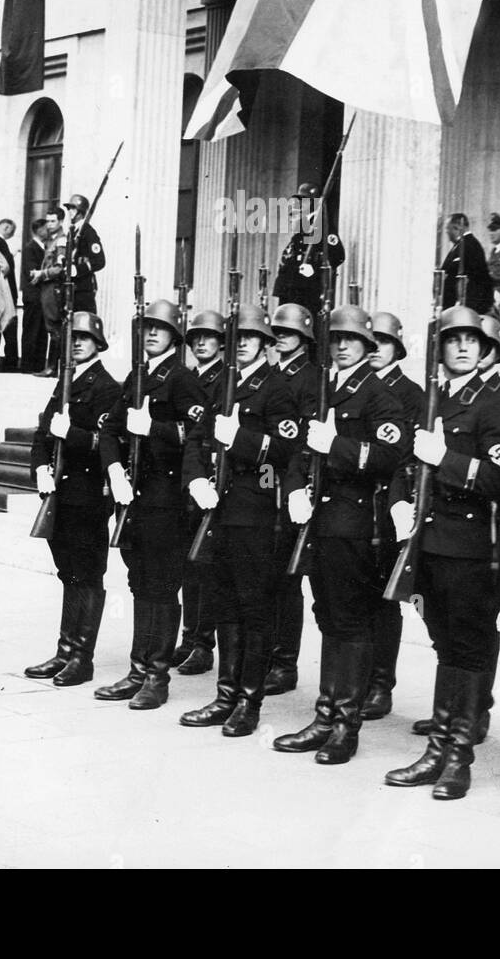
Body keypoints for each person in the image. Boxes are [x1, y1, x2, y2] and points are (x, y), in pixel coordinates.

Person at [384, 306, 500, 800]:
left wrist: (446, 459)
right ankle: (444, 741)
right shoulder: (433, 398)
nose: (461, 347)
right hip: (431, 539)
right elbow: (406, 459)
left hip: (471, 545)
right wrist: (400, 499)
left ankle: (455, 755)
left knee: (466, 645)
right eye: (452, 339)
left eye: (471, 340)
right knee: (446, 644)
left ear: (487, 349)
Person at [273, 305, 407, 766]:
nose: (343, 346)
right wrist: (293, 490)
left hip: (356, 524)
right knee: (328, 616)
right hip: (320, 521)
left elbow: (391, 453)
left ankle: (345, 725)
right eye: (336, 339)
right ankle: (325, 714)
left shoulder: (378, 395)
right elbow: (297, 451)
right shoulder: (322, 391)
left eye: (352, 340)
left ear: (369, 346)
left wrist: (340, 447)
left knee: (350, 621)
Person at [180, 304, 299, 736]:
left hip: (256, 509)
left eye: (251, 337)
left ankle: (249, 702)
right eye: (237, 338)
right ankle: (225, 695)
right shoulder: (223, 387)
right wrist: (195, 479)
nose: (243, 343)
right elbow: (196, 439)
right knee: (223, 604)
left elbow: (288, 449)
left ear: (267, 344)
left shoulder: (277, 388)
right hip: (219, 508)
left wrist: (243, 441)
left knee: (254, 608)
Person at [94, 300, 208, 711]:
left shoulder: (181, 379)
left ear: (175, 336)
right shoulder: (136, 376)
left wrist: (155, 429)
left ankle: (156, 675)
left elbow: (200, 433)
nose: (152, 334)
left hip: (168, 498)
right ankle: (138, 668)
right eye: (147, 328)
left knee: (161, 586)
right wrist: (114, 471)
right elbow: (109, 428)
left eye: (160, 328)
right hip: (136, 497)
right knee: (139, 582)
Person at [26, 312, 122, 687]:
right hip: (59, 492)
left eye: (85, 338)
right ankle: (65, 650)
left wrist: (76, 435)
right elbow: (41, 433)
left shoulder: (107, 388)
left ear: (98, 343)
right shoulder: (65, 383)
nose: (77, 343)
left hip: (88, 493)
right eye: (72, 338)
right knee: (68, 572)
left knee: (87, 573)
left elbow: (108, 444)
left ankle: (82, 657)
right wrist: (39, 469)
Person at [362, 311, 425, 720]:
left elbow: (408, 457)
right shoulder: (355, 386)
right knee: (354, 597)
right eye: (372, 342)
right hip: (355, 503)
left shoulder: (411, 393)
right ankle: (357, 679)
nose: (376, 350)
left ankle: (381, 684)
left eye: (383, 342)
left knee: (385, 601)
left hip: (389, 504)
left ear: (397, 347)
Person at [265, 302, 317, 695]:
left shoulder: (310, 378)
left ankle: (285, 663)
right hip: (264, 486)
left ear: (304, 337)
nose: (281, 336)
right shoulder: (269, 375)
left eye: (289, 331)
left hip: (292, 485)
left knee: (287, 578)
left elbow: (301, 439)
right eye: (277, 330)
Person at [172, 309, 226, 676]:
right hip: (188, 481)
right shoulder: (187, 378)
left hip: (216, 485)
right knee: (189, 565)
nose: (201, 343)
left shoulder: (226, 380)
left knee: (208, 568)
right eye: (195, 338)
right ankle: (190, 637)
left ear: (222, 342)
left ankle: (204, 643)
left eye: (208, 337)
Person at [272, 182, 345, 313]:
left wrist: (315, 270)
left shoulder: (323, 228)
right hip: (290, 291)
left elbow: (338, 255)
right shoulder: (301, 231)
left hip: (307, 292)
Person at [33, 208, 67, 378]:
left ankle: (53, 367)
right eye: (48, 221)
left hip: (54, 288)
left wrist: (42, 274)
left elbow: (60, 268)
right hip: (47, 287)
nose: (49, 224)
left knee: (54, 327)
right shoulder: (51, 240)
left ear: (61, 222)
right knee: (52, 327)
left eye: (53, 221)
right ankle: (53, 367)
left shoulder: (61, 241)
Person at [440, 214, 494, 315]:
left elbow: (477, 279)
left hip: (464, 307)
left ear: (457, 227)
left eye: (448, 228)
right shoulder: (460, 245)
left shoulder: (469, 245)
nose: (446, 232)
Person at [63, 193, 106, 311]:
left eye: (73, 208)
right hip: (71, 289)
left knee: (84, 321)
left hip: (84, 288)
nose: (69, 211)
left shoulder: (88, 232)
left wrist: (78, 269)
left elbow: (99, 261)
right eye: (69, 208)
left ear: (80, 211)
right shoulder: (72, 232)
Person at [20, 218, 49, 375]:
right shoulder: (30, 248)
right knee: (31, 330)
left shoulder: (44, 247)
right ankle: (27, 365)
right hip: (33, 296)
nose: (48, 230)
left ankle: (38, 364)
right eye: (45, 228)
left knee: (41, 331)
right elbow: (31, 273)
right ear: (38, 230)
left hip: (42, 297)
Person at [0, 217, 20, 371]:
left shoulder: (7, 244)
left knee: (4, 327)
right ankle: (8, 361)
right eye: (4, 225)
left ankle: (5, 361)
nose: (6, 228)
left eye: (9, 226)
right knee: (6, 328)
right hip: (4, 291)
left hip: (5, 291)